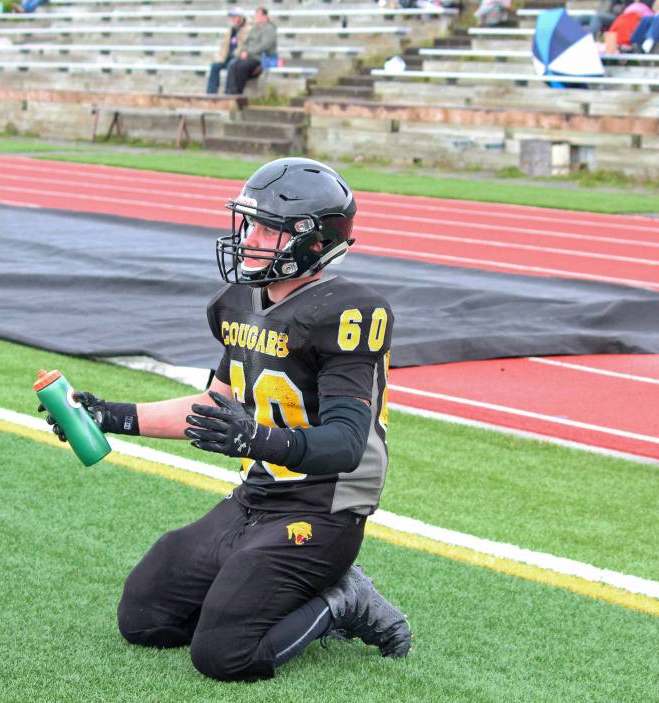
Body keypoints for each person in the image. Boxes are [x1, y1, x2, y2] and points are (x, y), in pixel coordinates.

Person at [39, 158, 410, 682]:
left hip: (323, 513)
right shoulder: (239, 302)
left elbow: (347, 444)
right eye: (249, 223)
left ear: (311, 240)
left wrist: (255, 436)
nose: (250, 238)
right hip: (257, 499)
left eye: (268, 229)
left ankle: (343, 598)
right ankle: (262, 587)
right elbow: (215, 406)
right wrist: (108, 416)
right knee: (144, 618)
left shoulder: (348, 312)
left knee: (224, 655)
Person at [226, 7, 278, 95]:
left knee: (242, 67)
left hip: (261, 57)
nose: (257, 17)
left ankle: (237, 93)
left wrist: (249, 52)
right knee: (233, 65)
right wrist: (243, 51)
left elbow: (265, 45)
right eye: (256, 15)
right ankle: (231, 93)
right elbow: (247, 42)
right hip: (250, 56)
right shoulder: (255, 28)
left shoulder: (270, 29)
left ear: (265, 16)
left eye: (259, 15)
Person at [207, 8, 249, 94]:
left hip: (239, 58)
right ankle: (211, 92)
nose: (233, 19)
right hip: (228, 57)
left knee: (231, 66)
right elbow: (224, 46)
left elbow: (246, 46)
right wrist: (220, 56)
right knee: (215, 66)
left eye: (235, 16)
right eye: (232, 17)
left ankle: (228, 92)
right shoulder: (230, 30)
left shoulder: (248, 30)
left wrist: (237, 53)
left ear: (241, 17)